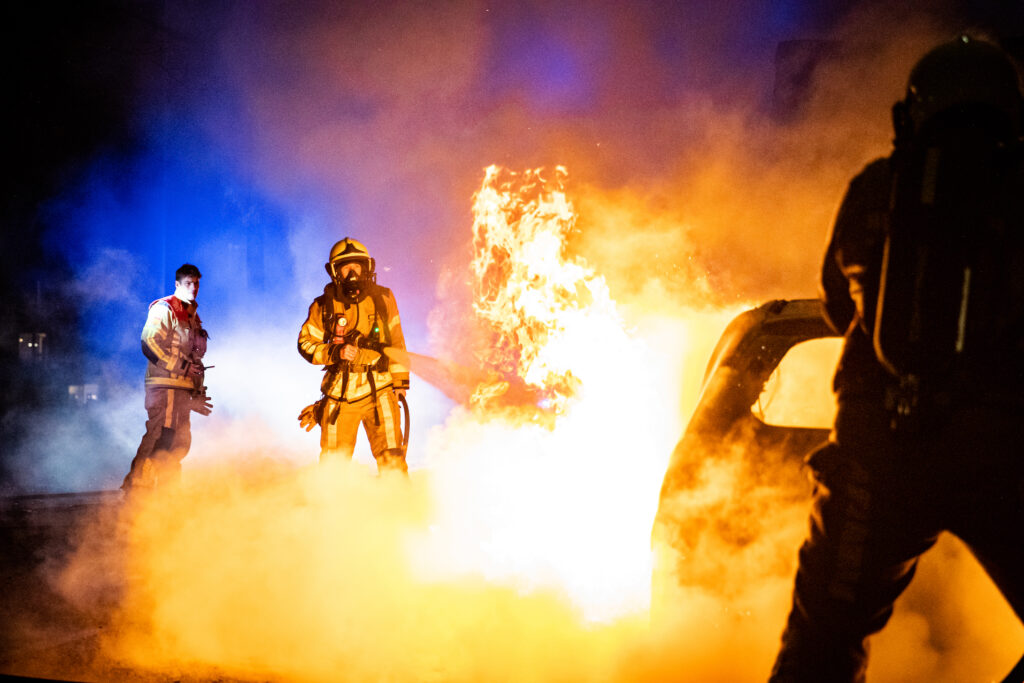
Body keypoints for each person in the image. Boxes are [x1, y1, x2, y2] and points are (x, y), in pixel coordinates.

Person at [770, 36, 1024, 682]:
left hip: (879, 452)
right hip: (1001, 452)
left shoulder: (876, 190)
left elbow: (838, 306)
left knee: (823, 640)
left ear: (914, 110)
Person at [297, 237, 411, 474]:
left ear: (366, 267)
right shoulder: (323, 306)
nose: (352, 274)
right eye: (345, 268)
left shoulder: (383, 299)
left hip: (380, 390)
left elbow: (397, 341)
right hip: (340, 394)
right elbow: (305, 344)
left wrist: (400, 383)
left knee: (392, 458)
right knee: (333, 465)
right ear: (334, 272)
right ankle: (332, 498)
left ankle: (397, 497)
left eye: (356, 266)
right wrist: (334, 352)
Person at [122, 263, 212, 492]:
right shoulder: (164, 308)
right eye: (188, 283)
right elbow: (149, 343)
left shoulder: (193, 317)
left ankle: (167, 496)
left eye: (196, 284)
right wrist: (182, 368)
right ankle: (137, 493)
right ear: (177, 284)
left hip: (182, 390)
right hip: (164, 387)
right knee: (161, 437)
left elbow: (196, 359)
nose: (193, 288)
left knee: (180, 442)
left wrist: (197, 393)